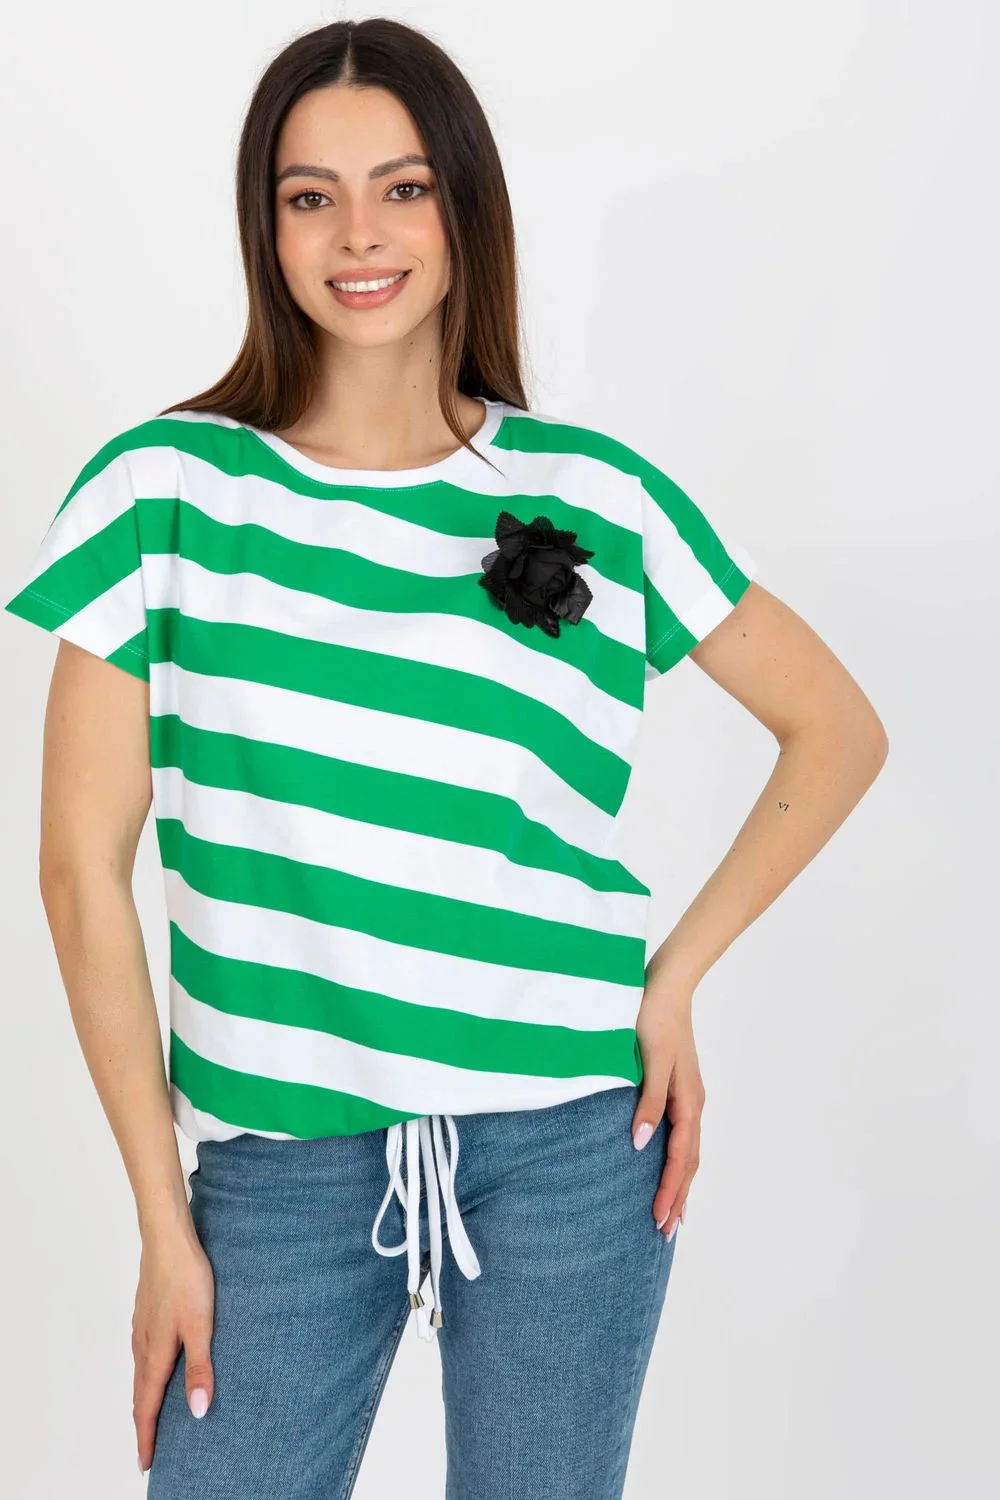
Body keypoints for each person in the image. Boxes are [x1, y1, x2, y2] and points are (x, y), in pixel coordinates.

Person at [3, 17, 889, 1500]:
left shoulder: (595, 495)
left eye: (403, 188)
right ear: (265, 225)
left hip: (570, 1143)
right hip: (280, 1165)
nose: (359, 234)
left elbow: (839, 729)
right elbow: (79, 873)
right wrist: (161, 1218)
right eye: (311, 195)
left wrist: (673, 976)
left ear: (463, 205)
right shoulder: (160, 493)